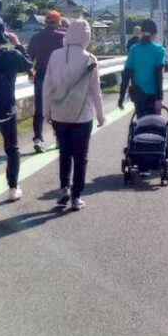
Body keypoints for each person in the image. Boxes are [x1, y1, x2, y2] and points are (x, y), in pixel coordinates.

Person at [43, 19, 106, 210]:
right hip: (82, 115)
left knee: (64, 152)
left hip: (59, 113)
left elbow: (47, 85)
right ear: (86, 36)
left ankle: (64, 188)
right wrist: (101, 115)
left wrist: (46, 110)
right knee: (80, 156)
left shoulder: (55, 55)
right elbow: (96, 91)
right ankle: (76, 197)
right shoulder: (90, 59)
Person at [0, 15, 32, 207]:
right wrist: (17, 44)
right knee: (12, 148)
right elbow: (28, 64)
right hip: (6, 108)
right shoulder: (11, 55)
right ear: (4, 34)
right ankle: (12, 188)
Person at [27, 11, 66, 153]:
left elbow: (28, 59)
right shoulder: (63, 37)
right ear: (58, 22)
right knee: (58, 107)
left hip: (41, 74)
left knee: (39, 108)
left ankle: (38, 139)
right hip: (58, 74)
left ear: (45, 22)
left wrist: (30, 71)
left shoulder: (36, 37)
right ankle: (58, 138)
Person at [118, 18, 166, 117]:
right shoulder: (159, 50)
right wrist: (159, 99)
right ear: (155, 33)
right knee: (153, 126)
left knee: (141, 124)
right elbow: (158, 77)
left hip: (138, 95)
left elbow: (126, 74)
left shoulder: (134, 49)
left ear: (141, 32)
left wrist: (121, 98)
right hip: (153, 96)